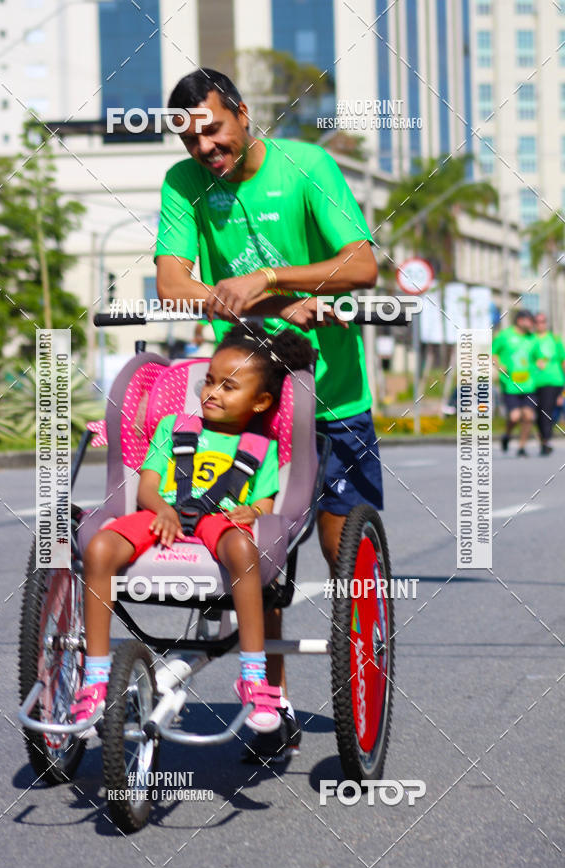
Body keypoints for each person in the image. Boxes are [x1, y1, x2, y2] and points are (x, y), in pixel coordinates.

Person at [154, 69, 380, 759]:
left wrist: (271, 277)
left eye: (215, 130)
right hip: (253, 394)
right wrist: (266, 307)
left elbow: (362, 265)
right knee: (266, 546)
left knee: (346, 559)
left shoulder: (305, 165)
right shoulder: (183, 185)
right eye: (193, 140)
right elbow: (172, 283)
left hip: (333, 396)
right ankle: (271, 703)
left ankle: (360, 690)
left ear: (244, 115)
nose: (206, 149)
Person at [71, 325, 315, 735]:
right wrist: (163, 509)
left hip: (217, 520)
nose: (212, 392)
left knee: (241, 547)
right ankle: (94, 680)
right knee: (97, 549)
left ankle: (254, 678)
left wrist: (252, 511)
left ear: (261, 402)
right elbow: (147, 485)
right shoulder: (172, 427)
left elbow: (267, 503)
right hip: (158, 514)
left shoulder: (262, 447)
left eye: (228, 387)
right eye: (209, 382)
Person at [492, 309, 536, 457]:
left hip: (529, 385)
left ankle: (522, 447)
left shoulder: (532, 338)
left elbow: (538, 356)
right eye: (529, 320)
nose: (532, 324)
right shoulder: (505, 336)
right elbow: (492, 353)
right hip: (510, 385)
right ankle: (507, 435)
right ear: (520, 320)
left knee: (529, 416)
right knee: (515, 416)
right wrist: (499, 365)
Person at [530, 313, 565, 455]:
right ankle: (544, 439)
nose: (540, 324)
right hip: (532, 382)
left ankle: (546, 441)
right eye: (537, 322)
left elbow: (563, 361)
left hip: (552, 381)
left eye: (543, 321)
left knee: (546, 411)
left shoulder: (554, 340)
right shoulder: (529, 340)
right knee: (536, 413)